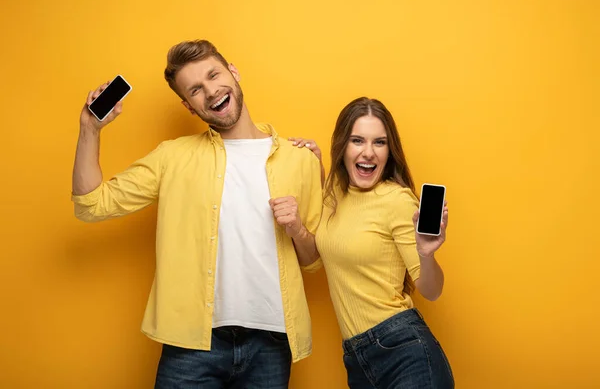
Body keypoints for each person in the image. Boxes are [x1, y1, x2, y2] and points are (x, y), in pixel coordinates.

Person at [71, 39, 323, 388]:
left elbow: (312, 260)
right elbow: (91, 205)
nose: (211, 91)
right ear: (188, 106)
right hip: (191, 345)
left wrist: (297, 228)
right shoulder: (172, 157)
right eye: (196, 90)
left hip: (271, 342)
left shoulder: (300, 159)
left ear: (233, 73)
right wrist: (90, 128)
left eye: (214, 75)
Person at [290, 97, 454, 388]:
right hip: (358, 361)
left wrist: (426, 255)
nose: (368, 152)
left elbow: (432, 290)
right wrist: (312, 165)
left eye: (379, 142)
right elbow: (320, 251)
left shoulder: (397, 200)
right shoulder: (335, 195)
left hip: (404, 350)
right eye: (357, 141)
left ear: (390, 151)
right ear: (342, 146)